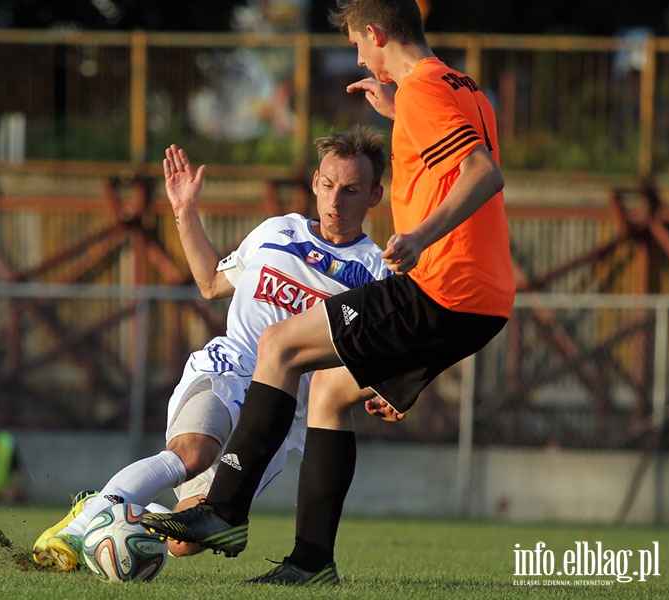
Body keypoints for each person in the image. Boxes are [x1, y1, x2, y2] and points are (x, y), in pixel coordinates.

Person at [141, 0, 516, 586]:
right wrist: (399, 114)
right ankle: (311, 562)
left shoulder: (423, 91)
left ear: (376, 33)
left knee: (282, 345)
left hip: (443, 284)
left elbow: (483, 173)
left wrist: (418, 235)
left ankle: (224, 510)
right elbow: (456, 158)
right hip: (481, 298)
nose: (359, 56)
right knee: (330, 395)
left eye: (357, 43)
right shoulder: (458, 84)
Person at [31, 124, 392, 571]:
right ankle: (80, 526)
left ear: (375, 195)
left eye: (352, 190)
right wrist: (184, 210)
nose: (336, 201)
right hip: (232, 368)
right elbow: (209, 283)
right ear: (315, 183)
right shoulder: (277, 232)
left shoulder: (377, 271)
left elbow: (383, 354)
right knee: (192, 453)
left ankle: (111, 508)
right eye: (329, 185)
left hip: (285, 411)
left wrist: (384, 390)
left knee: (187, 537)